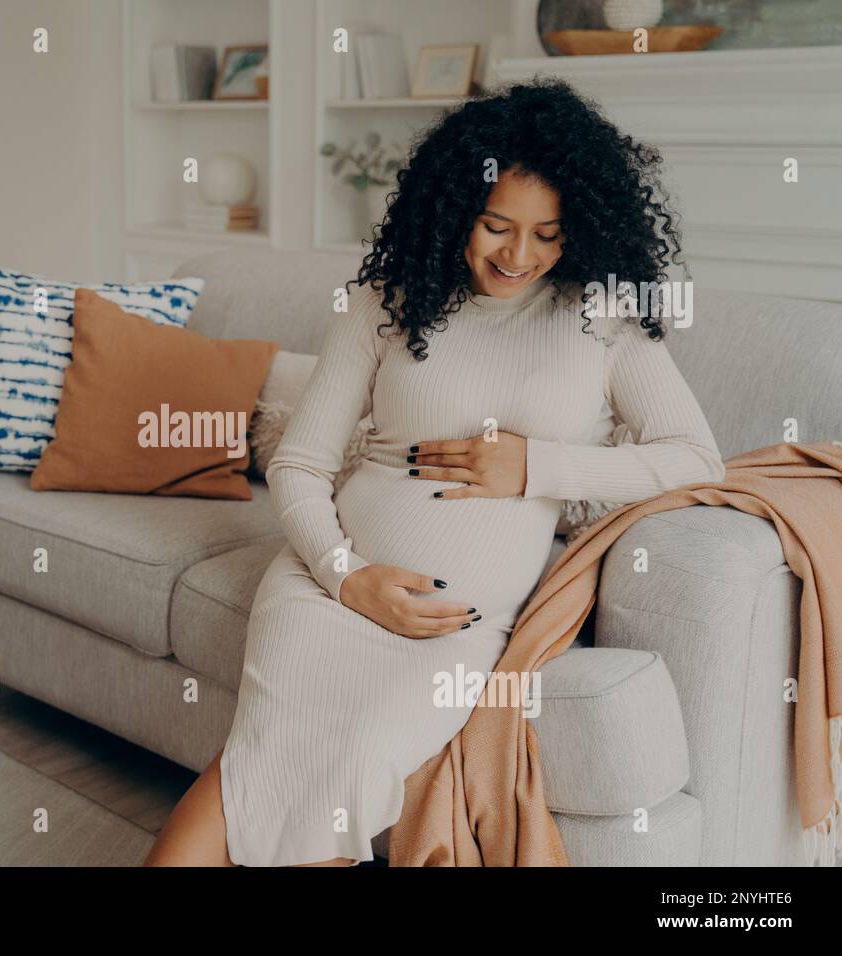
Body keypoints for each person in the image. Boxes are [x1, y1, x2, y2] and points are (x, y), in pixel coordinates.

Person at [144, 78, 725, 867]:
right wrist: (345, 575)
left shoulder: (603, 318)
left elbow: (695, 458)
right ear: (455, 207)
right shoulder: (385, 300)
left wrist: (538, 466)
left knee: (350, 764)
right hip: (326, 593)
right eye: (496, 227)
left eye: (548, 235)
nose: (519, 257)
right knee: (257, 762)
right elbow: (301, 464)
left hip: (454, 630)